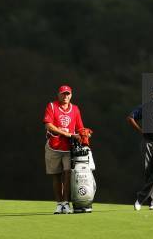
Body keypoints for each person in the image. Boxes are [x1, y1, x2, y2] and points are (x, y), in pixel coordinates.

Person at [43, 85, 85, 214]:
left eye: (68, 94)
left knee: (68, 175)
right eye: (63, 94)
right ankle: (59, 204)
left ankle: (66, 203)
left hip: (68, 147)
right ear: (58, 95)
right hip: (53, 146)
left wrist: (84, 134)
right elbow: (48, 125)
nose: (65, 96)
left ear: (71, 95)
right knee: (56, 175)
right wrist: (64, 133)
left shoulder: (75, 109)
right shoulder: (52, 106)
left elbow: (79, 128)